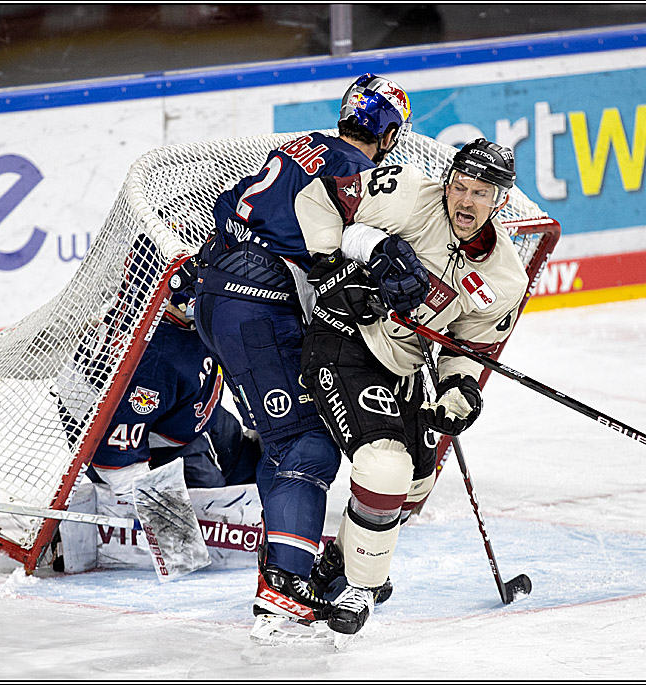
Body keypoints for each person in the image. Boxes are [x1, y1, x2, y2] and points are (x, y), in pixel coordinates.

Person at [193, 74, 416, 622]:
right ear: (388, 134)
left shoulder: (298, 149)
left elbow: (227, 207)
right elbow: (354, 254)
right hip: (257, 307)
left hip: (222, 296)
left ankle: (288, 570)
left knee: (286, 441)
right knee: (307, 444)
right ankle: (288, 586)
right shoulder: (356, 172)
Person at [295, 138, 528, 637]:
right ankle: (361, 592)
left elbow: (467, 346)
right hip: (343, 337)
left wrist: (459, 389)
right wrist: (338, 263)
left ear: (500, 201)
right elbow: (314, 197)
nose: (465, 201)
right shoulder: (405, 193)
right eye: (460, 187)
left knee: (417, 483)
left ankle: (340, 561)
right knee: (385, 464)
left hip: (403, 366)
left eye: (480, 193)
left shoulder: (506, 277)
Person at [53, 271, 262, 573]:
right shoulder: (150, 360)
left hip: (185, 411)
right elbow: (117, 457)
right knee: (215, 512)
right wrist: (175, 536)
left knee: (242, 458)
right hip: (135, 439)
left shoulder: (160, 303)